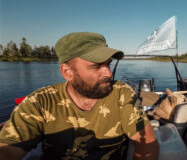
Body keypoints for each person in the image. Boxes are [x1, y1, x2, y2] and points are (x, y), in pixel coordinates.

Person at [0, 32, 159, 160]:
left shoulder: (121, 93)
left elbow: (147, 142)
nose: (108, 73)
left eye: (108, 64)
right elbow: (7, 151)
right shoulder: (40, 102)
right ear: (67, 72)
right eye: (97, 66)